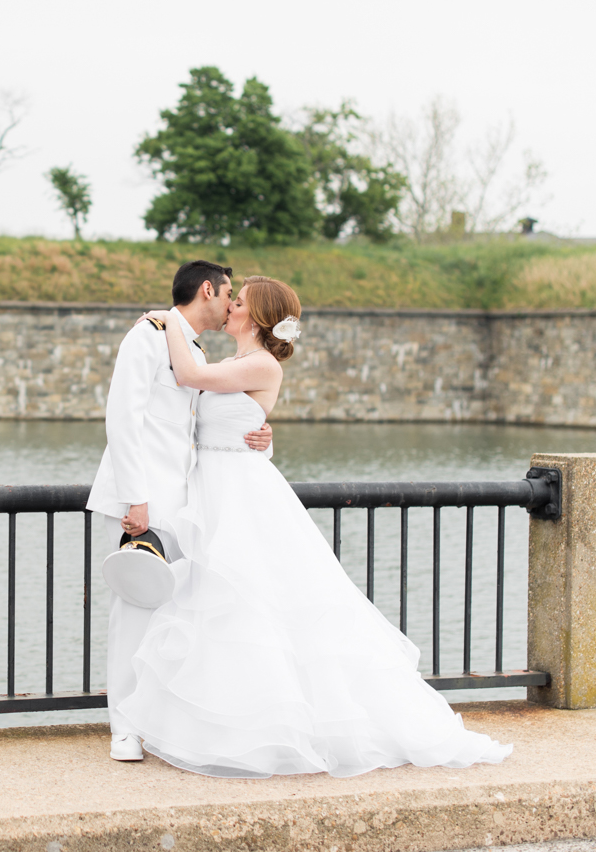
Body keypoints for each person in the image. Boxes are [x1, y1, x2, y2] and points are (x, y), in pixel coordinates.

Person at [114, 275, 512, 778]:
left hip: (241, 493)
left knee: (254, 602)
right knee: (220, 606)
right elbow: (205, 412)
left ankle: (285, 727)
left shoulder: (259, 362)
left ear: (256, 316)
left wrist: (166, 318)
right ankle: (231, 722)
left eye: (238, 303)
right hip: (212, 488)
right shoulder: (234, 364)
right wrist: (260, 433)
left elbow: (191, 377)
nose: (230, 308)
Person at [86, 260, 273, 764]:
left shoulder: (189, 346)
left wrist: (261, 436)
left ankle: (158, 719)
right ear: (207, 289)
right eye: (228, 292)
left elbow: (200, 425)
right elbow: (122, 418)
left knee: (174, 611)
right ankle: (124, 727)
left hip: (184, 501)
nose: (232, 302)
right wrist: (134, 497)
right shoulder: (148, 335)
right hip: (143, 499)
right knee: (134, 610)